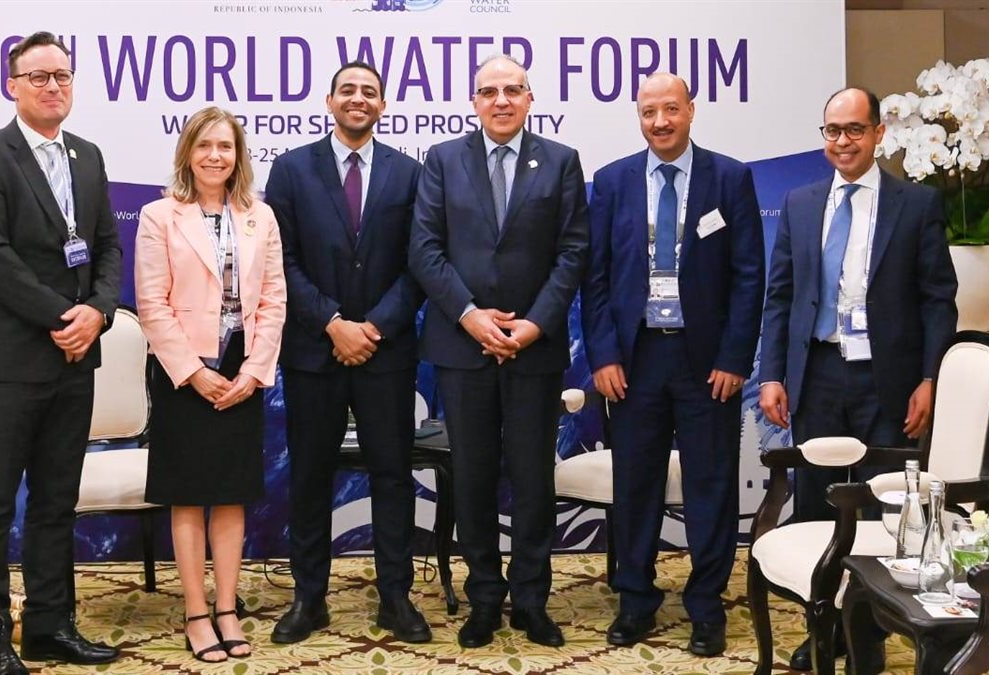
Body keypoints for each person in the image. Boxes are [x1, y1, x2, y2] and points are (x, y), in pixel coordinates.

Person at [758, 86, 958, 670]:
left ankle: (868, 637)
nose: (842, 141)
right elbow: (780, 297)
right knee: (817, 506)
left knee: (882, 511)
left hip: (887, 380)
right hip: (817, 373)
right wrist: (772, 374)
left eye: (853, 130)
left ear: (877, 134)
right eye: (832, 131)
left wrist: (931, 379)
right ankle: (826, 632)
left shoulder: (915, 204)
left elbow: (938, 300)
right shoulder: (800, 203)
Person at [0, 31, 122, 674]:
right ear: (12, 86)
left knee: (56, 503)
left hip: (74, 359)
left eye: (63, 76)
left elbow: (107, 246)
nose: (53, 86)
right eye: (39, 76)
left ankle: (51, 627)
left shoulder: (88, 156)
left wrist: (98, 312)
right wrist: (63, 317)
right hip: (6, 361)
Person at [580, 72, 764, 657]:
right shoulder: (612, 181)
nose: (659, 121)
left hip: (706, 363)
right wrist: (604, 355)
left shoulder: (729, 178)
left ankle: (706, 607)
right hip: (635, 361)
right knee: (636, 485)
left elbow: (749, 276)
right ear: (638, 117)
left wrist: (735, 357)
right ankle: (635, 600)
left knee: (711, 484)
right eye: (648, 112)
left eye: (670, 109)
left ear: (691, 110)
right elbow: (595, 278)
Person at [408, 53, 589, 649]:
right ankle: (484, 597)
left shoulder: (560, 161)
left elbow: (573, 251)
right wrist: (470, 316)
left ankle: (532, 600)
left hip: (534, 352)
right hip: (463, 349)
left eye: (513, 90)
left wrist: (533, 325)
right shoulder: (442, 160)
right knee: (473, 478)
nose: (502, 101)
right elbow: (425, 249)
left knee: (534, 480)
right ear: (475, 101)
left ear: (530, 98)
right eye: (489, 91)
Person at [264, 62, 428, 644]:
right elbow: (280, 260)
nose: (359, 99)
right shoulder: (290, 169)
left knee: (392, 476)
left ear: (383, 105)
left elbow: (420, 261)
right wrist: (333, 323)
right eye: (349, 90)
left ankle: (395, 599)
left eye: (370, 92)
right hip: (314, 351)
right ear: (329, 101)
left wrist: (373, 327)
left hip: (386, 353)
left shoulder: (410, 172)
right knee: (310, 477)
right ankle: (309, 599)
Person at [135, 106, 286, 662]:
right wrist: (193, 373)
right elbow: (151, 303)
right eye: (204, 146)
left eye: (225, 146)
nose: (215, 156)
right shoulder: (159, 215)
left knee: (229, 493)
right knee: (188, 493)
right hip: (183, 371)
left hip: (241, 368)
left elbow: (274, 300)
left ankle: (227, 608)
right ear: (188, 154)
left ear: (238, 156)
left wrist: (253, 371)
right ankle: (196, 613)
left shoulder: (260, 216)